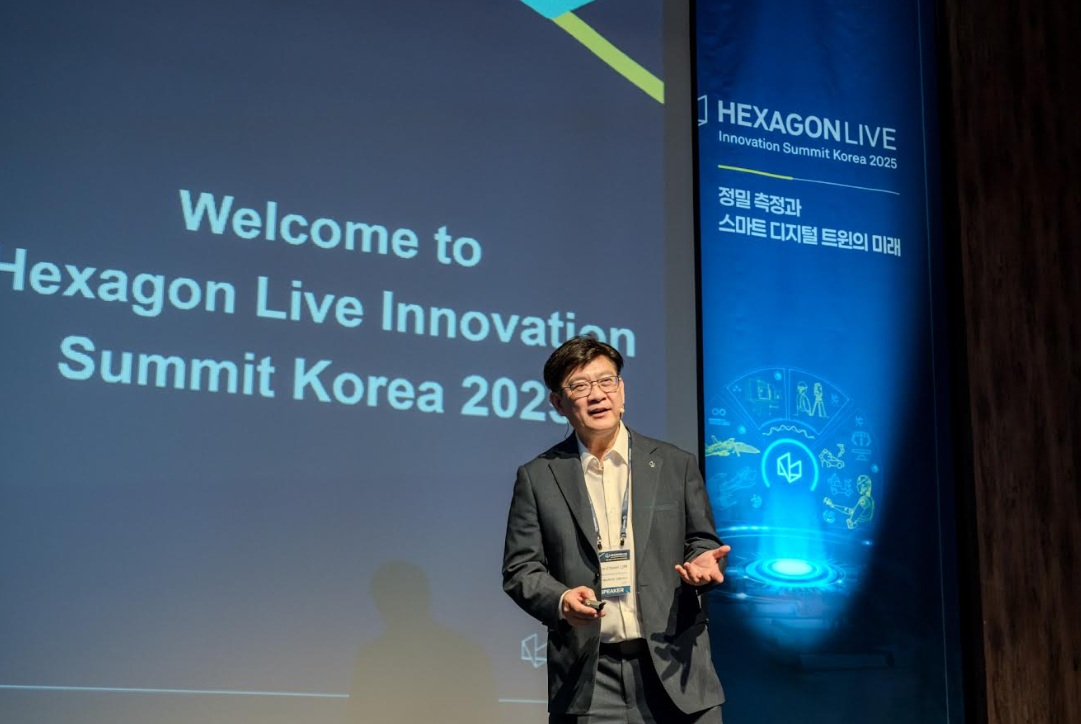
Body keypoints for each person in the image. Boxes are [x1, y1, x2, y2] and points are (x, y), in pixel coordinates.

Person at [502, 336, 728, 723]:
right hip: (590, 679)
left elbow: (701, 541)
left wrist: (702, 563)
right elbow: (521, 569)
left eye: (607, 381)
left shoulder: (675, 464)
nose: (597, 395)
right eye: (579, 386)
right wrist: (561, 599)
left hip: (676, 669)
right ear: (558, 403)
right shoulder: (538, 477)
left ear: (621, 391)